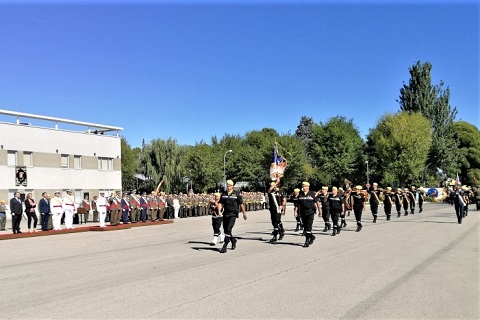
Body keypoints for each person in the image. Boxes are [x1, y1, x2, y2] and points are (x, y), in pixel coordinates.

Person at [217, 179, 247, 253]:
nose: (228, 187)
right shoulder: (223, 194)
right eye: (227, 186)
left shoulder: (236, 194)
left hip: (233, 214)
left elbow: (241, 204)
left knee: (229, 229)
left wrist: (244, 213)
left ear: (232, 186)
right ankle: (233, 240)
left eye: (229, 186)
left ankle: (225, 246)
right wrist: (219, 211)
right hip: (225, 214)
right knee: (226, 230)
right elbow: (220, 204)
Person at [298, 182, 320, 247]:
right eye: (303, 186)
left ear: (308, 187)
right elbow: (297, 204)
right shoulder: (300, 194)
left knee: (308, 226)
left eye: (305, 186)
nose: (304, 187)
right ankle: (312, 237)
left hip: (310, 212)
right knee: (305, 227)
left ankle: (307, 241)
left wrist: (320, 212)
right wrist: (296, 211)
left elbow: (317, 203)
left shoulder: (312, 194)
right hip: (302, 213)